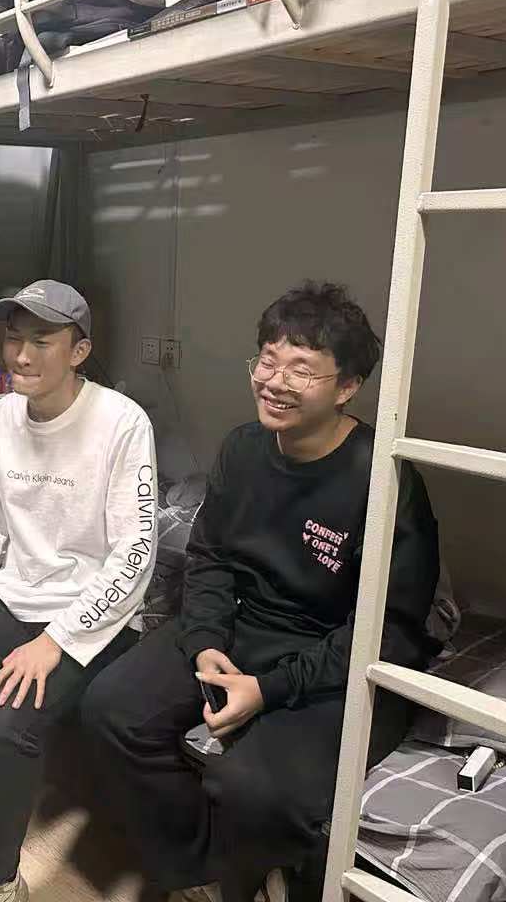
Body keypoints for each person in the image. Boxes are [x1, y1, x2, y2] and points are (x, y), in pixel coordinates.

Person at [81, 282, 441, 902]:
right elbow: (211, 557)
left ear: (347, 386)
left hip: (332, 653)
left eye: (301, 370)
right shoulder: (244, 448)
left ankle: (251, 874)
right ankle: (194, 869)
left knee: (251, 787)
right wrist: (204, 642)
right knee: (110, 710)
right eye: (268, 361)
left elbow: (391, 630)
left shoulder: (382, 477)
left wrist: (269, 689)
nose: (275, 382)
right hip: (243, 628)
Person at [0, 280, 159, 902]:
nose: (20, 355)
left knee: (4, 721)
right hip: (14, 600)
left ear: (79, 351)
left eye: (42, 341)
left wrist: (58, 640)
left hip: (95, 619)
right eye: (14, 339)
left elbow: (135, 555)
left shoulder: (121, 423)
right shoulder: (1, 419)